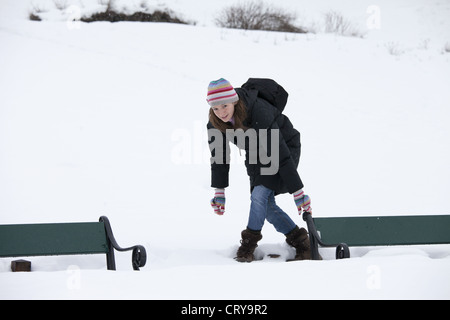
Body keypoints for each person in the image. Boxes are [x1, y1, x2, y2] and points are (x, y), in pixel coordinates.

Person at [206, 78, 313, 262]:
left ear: (233, 100)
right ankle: (302, 242)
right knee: (266, 206)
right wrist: (219, 191)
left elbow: (280, 154)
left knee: (259, 196)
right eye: (215, 108)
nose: (221, 112)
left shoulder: (258, 112)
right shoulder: (215, 123)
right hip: (256, 154)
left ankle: (248, 245)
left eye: (224, 106)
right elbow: (219, 158)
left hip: (284, 146)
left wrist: (298, 192)